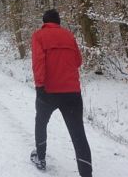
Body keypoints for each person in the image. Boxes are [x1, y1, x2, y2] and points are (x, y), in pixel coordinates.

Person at [30, 9, 92, 177]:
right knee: (78, 133)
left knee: (41, 122)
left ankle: (40, 158)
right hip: (72, 92)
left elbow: (38, 62)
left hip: (48, 91)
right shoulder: (69, 36)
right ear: (59, 22)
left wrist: (39, 85)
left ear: (44, 22)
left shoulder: (38, 36)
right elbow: (78, 61)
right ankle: (87, 173)